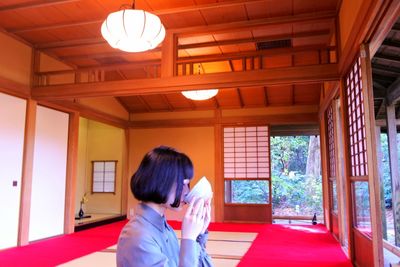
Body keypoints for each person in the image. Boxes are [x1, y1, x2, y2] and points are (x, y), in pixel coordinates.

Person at [116, 146, 213, 267]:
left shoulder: (166, 229)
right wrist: (188, 238)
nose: (187, 192)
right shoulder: (137, 236)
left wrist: (198, 235)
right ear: (161, 182)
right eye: (182, 185)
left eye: (188, 185)